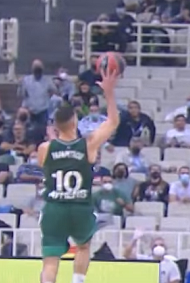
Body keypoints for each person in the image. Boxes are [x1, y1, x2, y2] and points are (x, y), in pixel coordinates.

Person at [37, 67, 119, 283]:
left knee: (50, 260)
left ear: (56, 126)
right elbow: (112, 122)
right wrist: (109, 93)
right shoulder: (88, 144)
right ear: (75, 122)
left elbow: (45, 166)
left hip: (54, 206)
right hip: (80, 205)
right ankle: (78, 280)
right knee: (83, 247)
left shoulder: (45, 148)